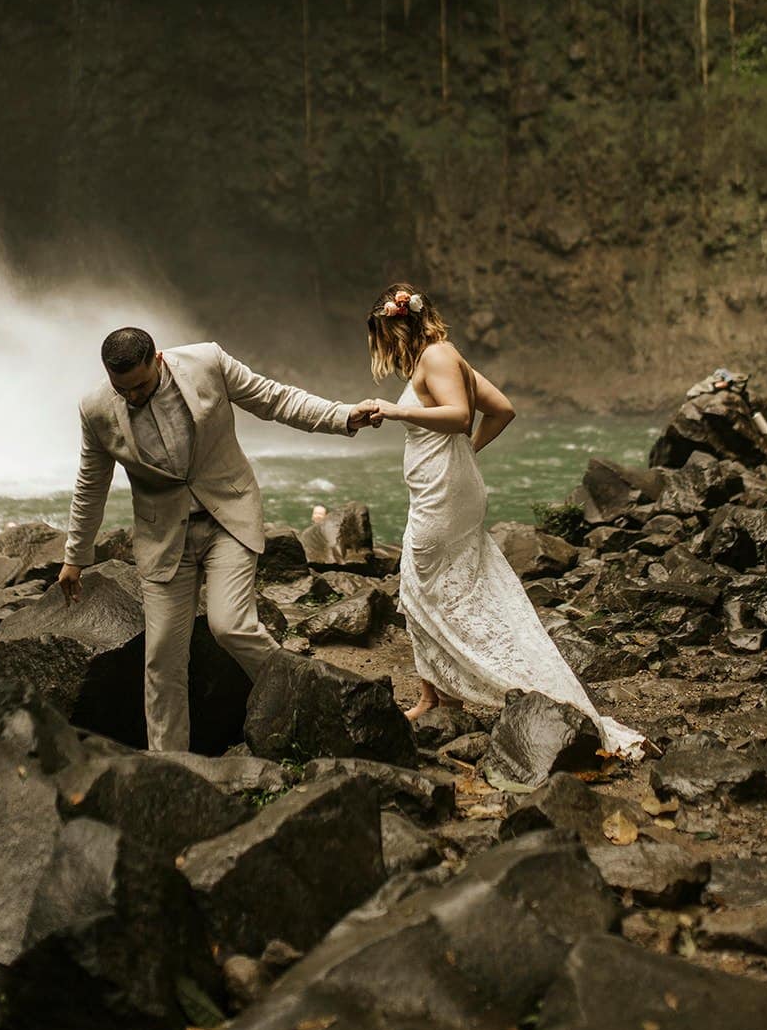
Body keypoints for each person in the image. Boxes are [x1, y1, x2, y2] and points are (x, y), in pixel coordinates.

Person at [57, 327, 381, 752]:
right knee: (161, 659)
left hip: (227, 515)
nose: (132, 397)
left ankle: (305, 696)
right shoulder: (96, 408)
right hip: (164, 537)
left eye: (139, 386)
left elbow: (275, 399)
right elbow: (90, 484)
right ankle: (169, 766)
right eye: (123, 390)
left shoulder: (207, 362)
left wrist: (342, 416)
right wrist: (75, 556)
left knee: (229, 626)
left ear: (157, 360)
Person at [363, 282, 644, 757]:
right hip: (450, 485)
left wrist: (396, 412)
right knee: (428, 580)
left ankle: (457, 691)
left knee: (419, 579)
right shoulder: (447, 358)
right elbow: (503, 410)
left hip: (443, 494)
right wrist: (464, 458)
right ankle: (436, 695)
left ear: (397, 323)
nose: (383, 346)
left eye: (383, 333)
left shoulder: (436, 358)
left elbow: (458, 416)